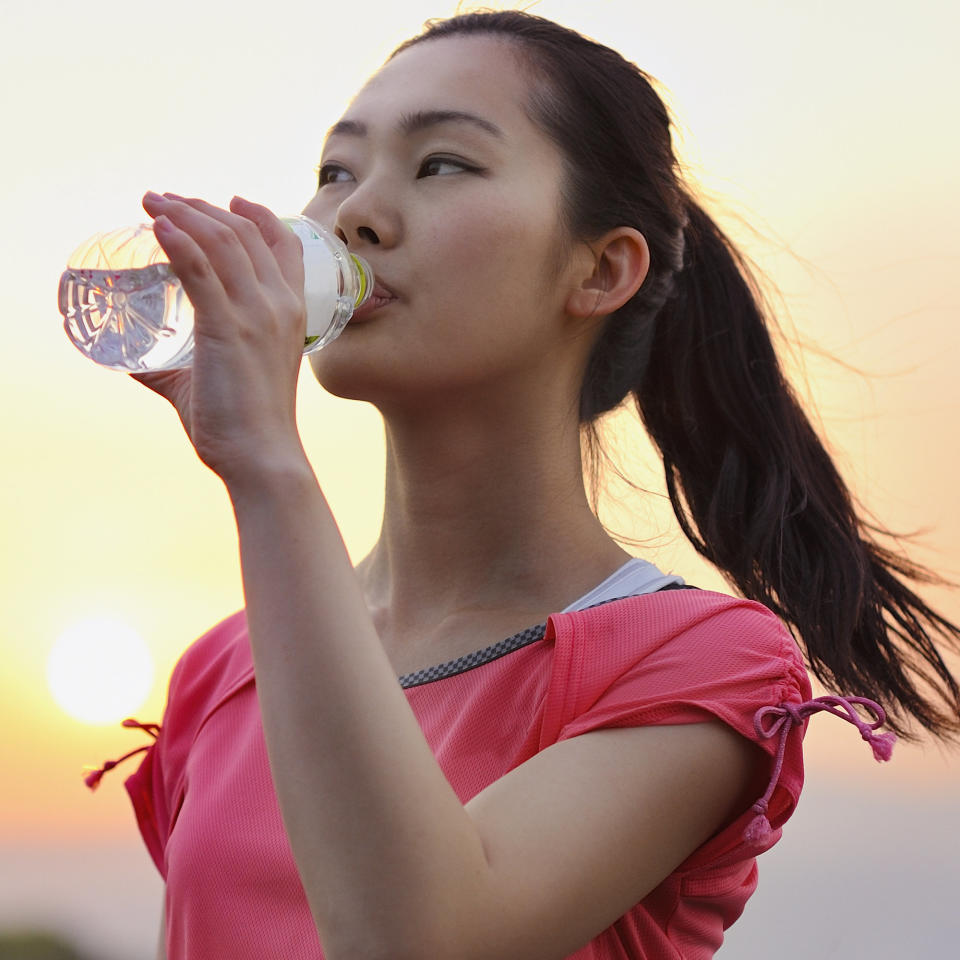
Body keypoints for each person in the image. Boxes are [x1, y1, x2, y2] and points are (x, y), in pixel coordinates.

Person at [86, 10, 960, 960]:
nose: (352, 215)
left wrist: (265, 465)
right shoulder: (225, 671)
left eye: (442, 165)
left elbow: (418, 940)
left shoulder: (696, 666)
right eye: (336, 170)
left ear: (600, 269)